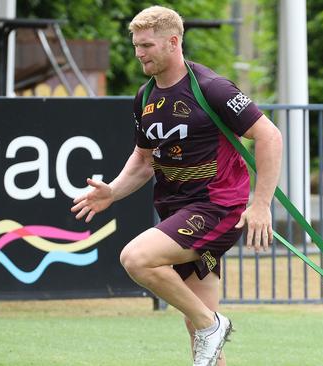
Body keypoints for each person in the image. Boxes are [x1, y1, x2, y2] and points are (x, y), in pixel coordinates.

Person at [71, 6, 282, 366]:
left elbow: (269, 135)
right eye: (136, 45)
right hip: (178, 211)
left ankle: (212, 324)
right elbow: (142, 159)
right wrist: (113, 191)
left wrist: (260, 204)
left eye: (147, 45)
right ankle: (208, 327)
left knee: (136, 259)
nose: (139, 53)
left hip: (217, 207)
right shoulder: (145, 96)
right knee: (201, 342)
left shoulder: (212, 88)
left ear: (173, 42)